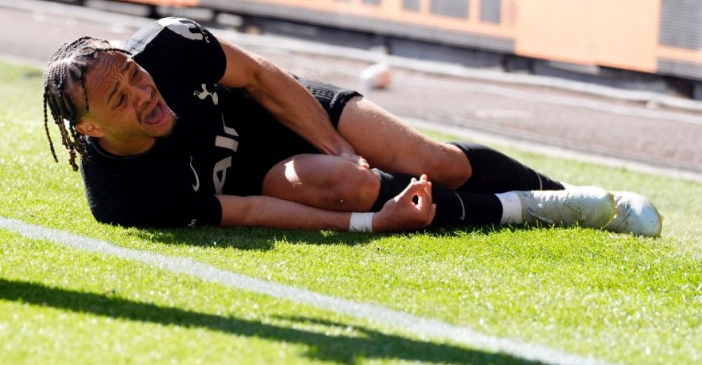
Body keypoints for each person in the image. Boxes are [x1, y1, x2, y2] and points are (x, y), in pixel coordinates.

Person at [42, 17, 662, 236]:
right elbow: (249, 211)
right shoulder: (124, 198)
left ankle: (563, 192)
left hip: (287, 109)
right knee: (355, 187)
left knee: (433, 160)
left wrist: (337, 142)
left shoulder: (167, 45)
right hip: (265, 177)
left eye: (134, 75)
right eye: (120, 99)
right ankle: (551, 210)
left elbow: (259, 76)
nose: (143, 92)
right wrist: (368, 223)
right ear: (89, 130)